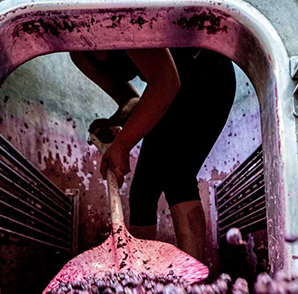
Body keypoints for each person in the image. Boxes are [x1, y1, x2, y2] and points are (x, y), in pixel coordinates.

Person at [71, 48, 236, 262]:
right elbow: (130, 101)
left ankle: (195, 283)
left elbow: (167, 82)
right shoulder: (80, 56)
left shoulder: (118, 19)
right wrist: (114, 124)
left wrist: (122, 144)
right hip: (170, 91)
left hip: (208, 73)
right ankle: (141, 277)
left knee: (178, 175)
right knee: (142, 192)